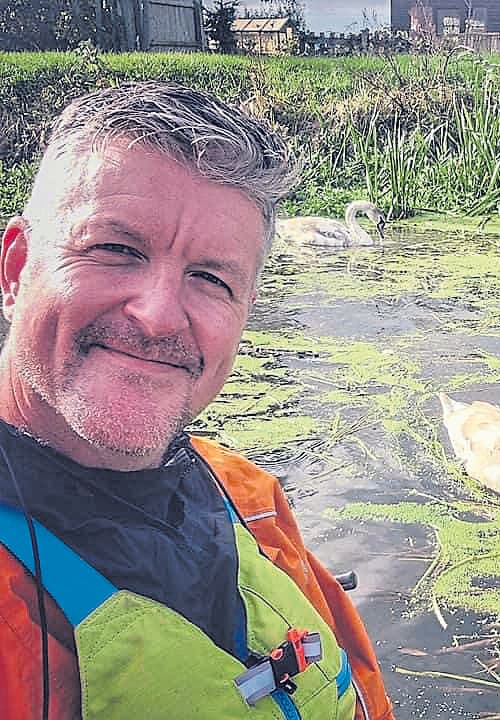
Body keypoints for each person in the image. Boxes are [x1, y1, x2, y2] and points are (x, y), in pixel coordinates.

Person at [0, 81, 394, 720]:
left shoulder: (251, 502)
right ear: (17, 269)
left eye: (211, 279)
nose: (158, 317)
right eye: (115, 249)